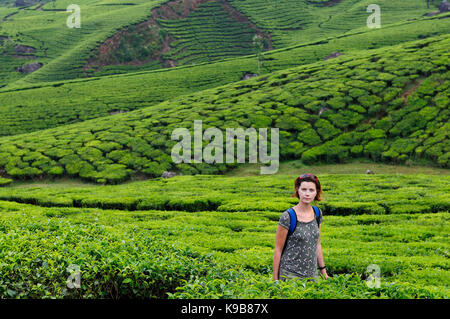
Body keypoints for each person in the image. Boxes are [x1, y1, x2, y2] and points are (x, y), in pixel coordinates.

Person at [273, 173, 328, 282]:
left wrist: (323, 272)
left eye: (311, 190)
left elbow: (317, 244)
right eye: (304, 189)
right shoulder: (288, 216)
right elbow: (278, 249)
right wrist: (275, 280)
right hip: (290, 275)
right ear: (298, 190)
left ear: (316, 192)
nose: (307, 194)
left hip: (312, 276)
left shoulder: (317, 213)